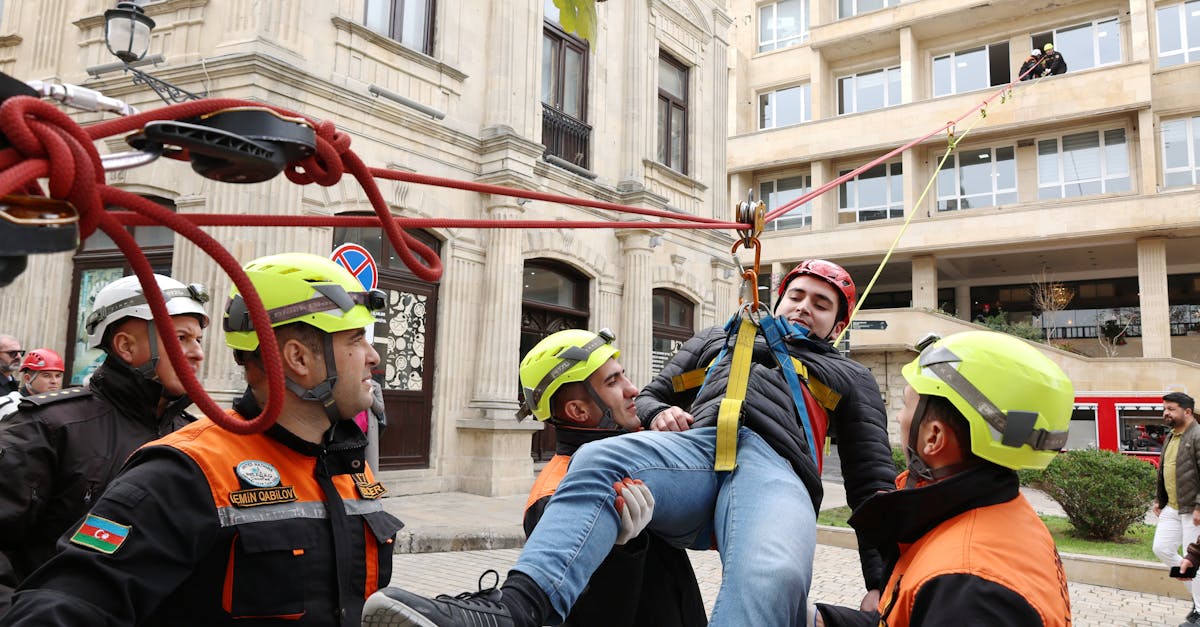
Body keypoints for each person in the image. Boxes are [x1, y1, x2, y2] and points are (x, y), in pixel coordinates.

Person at [368, 259, 895, 627]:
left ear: (838, 324)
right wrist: (657, 411)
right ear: (777, 298)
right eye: (797, 295)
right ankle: (518, 607)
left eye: (821, 304)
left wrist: (881, 579)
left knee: (772, 576)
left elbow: (870, 482)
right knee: (602, 457)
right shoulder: (721, 339)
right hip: (701, 449)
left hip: (775, 471)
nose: (804, 307)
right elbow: (652, 394)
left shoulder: (847, 376)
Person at [2, 252, 402, 626]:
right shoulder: (183, 469)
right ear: (297, 358)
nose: (373, 357)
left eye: (197, 339)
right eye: (355, 340)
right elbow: (69, 603)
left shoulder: (347, 462)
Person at [815, 331, 1073, 626]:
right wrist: (822, 620)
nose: (899, 418)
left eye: (906, 404)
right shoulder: (1000, 516)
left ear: (933, 436)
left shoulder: (971, 591)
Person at [0, 274, 209, 612]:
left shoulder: (195, 436)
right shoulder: (48, 426)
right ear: (126, 346)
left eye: (199, 339)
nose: (197, 353)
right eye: (181, 337)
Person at [513, 328, 705, 626]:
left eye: (623, 375)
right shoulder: (555, 494)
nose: (633, 390)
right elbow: (582, 619)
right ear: (577, 410)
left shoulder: (640, 451)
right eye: (613, 382)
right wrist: (620, 552)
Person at [1152, 391, 1200, 626]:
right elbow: (1165, 471)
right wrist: (1160, 500)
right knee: (1161, 548)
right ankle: (1198, 598)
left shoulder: (1198, 436)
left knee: (1195, 558)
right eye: (1165, 409)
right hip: (1172, 507)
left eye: (1171, 409)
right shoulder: (1172, 436)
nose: (1165, 413)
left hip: (1193, 509)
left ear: (1187, 411)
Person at [0, 349, 66, 421]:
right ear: (28, 378)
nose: (54, 381)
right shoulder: (6, 406)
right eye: (46, 375)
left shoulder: (63, 408)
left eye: (58, 376)